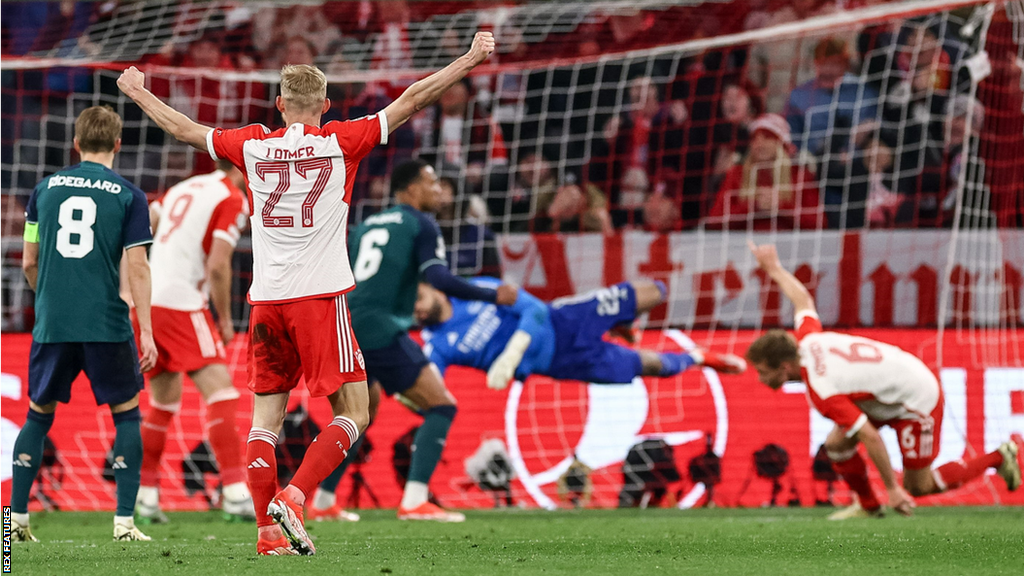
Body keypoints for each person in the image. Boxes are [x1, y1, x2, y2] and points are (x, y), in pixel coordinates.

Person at [118, 31, 497, 555]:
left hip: (266, 300)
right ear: (325, 104)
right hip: (320, 298)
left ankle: (266, 534)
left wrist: (138, 92)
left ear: (278, 106)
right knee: (356, 412)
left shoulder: (250, 145)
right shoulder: (342, 140)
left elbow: (183, 127)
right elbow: (413, 99)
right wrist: (472, 57)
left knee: (263, 421)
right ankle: (295, 498)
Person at [745, 241, 1023, 519]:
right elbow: (803, 301)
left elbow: (871, 437)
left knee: (918, 486)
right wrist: (775, 269)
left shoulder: (821, 388)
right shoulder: (807, 339)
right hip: (891, 384)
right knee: (837, 445)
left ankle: (998, 457)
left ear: (783, 367)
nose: (760, 378)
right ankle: (869, 507)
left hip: (917, 399)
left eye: (762, 371)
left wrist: (892, 489)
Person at [311, 159, 517, 524]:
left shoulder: (365, 225)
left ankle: (324, 501)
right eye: (431, 181)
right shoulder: (421, 223)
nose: (438, 189)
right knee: (441, 405)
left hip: (346, 325)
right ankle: (415, 500)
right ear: (409, 189)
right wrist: (491, 294)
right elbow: (437, 276)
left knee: (359, 415)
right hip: (381, 328)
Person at [10, 106, 158, 543]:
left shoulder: (42, 191)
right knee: (127, 416)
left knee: (37, 416)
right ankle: (124, 525)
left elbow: (29, 259)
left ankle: (12, 525)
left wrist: (52, 300)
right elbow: (138, 267)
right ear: (117, 143)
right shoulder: (130, 196)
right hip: (106, 322)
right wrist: (146, 328)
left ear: (75, 144)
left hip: (53, 322)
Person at [132, 161, 254, 524]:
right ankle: (234, 493)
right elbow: (219, 265)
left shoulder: (182, 188)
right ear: (241, 168)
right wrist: (226, 319)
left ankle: (147, 496)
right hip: (184, 304)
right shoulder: (232, 198)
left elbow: (142, 229)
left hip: (149, 301)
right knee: (222, 394)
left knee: (163, 403)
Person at [415, 278, 747, 390]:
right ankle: (699, 357)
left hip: (568, 319)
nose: (417, 310)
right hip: (565, 362)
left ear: (431, 287)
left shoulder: (474, 289)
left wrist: (512, 352)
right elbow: (430, 389)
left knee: (654, 290)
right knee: (650, 367)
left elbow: (535, 309)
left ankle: (621, 321)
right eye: (410, 310)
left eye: (417, 298)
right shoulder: (438, 344)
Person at [705, 114, 822, 231]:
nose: (759, 144)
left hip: (787, 246)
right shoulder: (736, 174)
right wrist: (754, 206)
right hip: (744, 245)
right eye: (754, 138)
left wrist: (781, 207)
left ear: (781, 142)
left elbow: (819, 223)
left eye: (767, 137)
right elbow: (714, 220)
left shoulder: (800, 175)